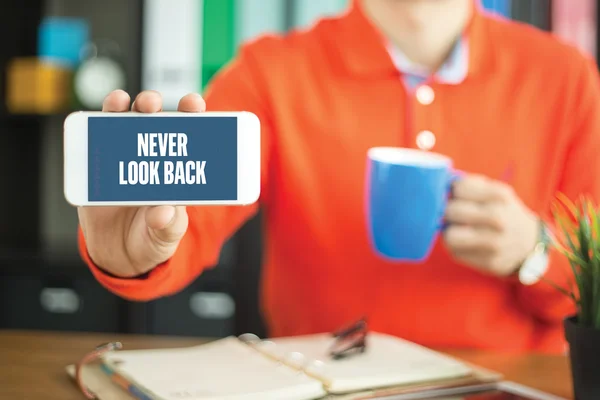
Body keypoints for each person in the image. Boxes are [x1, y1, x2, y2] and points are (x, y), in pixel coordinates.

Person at [77, 0, 600, 354]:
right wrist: (136, 254)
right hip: (323, 382)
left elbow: (591, 286)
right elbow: (188, 223)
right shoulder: (269, 72)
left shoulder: (568, 79)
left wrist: (535, 252)